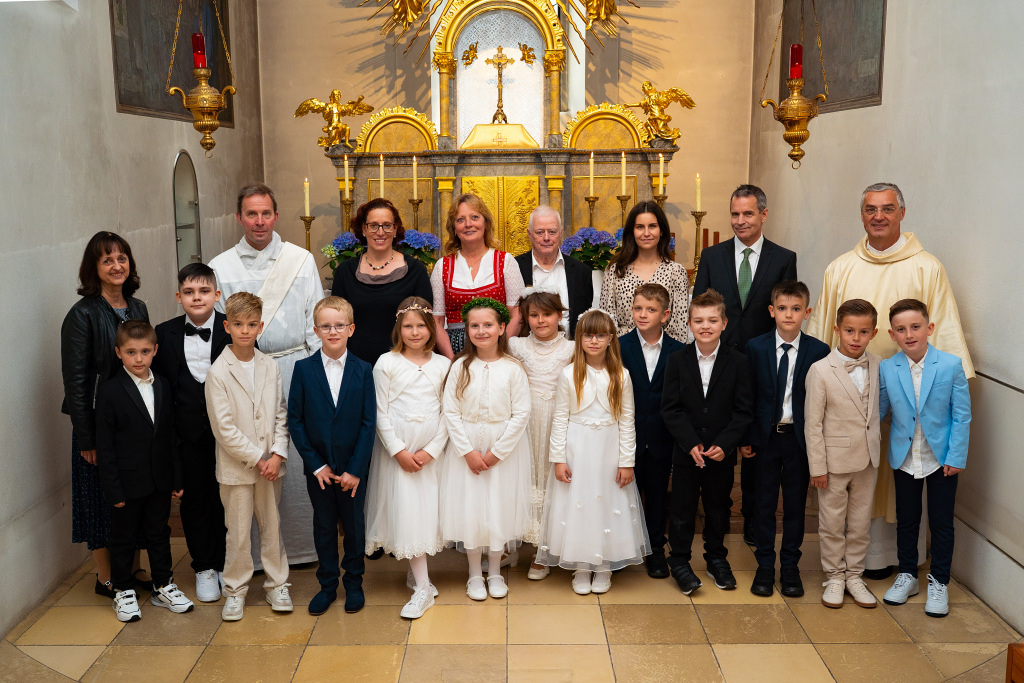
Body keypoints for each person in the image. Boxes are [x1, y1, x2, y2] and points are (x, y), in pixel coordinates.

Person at [806, 182, 974, 581]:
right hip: (851, 402)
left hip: (912, 401)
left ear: (902, 213)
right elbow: (821, 343)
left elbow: (946, 345)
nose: (878, 216)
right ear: (861, 214)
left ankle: (903, 562)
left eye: (886, 209)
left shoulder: (927, 267)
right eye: (870, 209)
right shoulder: (840, 267)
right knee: (853, 484)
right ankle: (848, 566)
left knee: (905, 484)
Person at [209, 183, 322, 565]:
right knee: (250, 454)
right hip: (244, 370)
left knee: (294, 456)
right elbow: (218, 327)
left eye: (265, 213)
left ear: (276, 216)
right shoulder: (221, 266)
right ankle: (254, 559)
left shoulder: (300, 260)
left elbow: (315, 321)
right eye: (251, 214)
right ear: (239, 217)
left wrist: (316, 378)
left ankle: (302, 548)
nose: (259, 221)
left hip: (293, 366)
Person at [692, 184, 798, 546]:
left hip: (762, 366)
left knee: (757, 446)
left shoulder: (783, 258)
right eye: (735, 214)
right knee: (718, 439)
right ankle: (716, 516)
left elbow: (784, 312)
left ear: (763, 214)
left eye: (748, 213)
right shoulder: (712, 256)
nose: (740, 221)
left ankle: (753, 519)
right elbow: (701, 307)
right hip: (719, 364)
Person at [61, 231, 150, 599]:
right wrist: (87, 438)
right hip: (98, 425)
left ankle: (135, 567)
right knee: (99, 499)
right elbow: (76, 381)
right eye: (107, 260)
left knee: (137, 493)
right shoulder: (81, 314)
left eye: (121, 258)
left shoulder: (138, 307)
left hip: (135, 419)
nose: (116, 266)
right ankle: (106, 576)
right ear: (93, 268)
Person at [536, 309, 650, 595]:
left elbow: (627, 420)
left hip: (609, 450)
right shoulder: (569, 374)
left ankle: (604, 566)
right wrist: (558, 459)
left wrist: (626, 462)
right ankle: (582, 565)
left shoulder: (621, 375)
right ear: (579, 338)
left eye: (600, 335)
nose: (594, 341)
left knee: (607, 502)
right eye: (588, 335)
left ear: (610, 339)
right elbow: (560, 419)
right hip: (577, 449)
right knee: (580, 503)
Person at [878, 299, 971, 618]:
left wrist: (956, 455)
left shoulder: (950, 365)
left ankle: (939, 581)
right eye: (901, 329)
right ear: (892, 334)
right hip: (904, 457)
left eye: (915, 327)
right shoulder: (888, 367)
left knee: (941, 522)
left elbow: (961, 415)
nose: (909, 334)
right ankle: (907, 575)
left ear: (929, 328)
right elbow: (880, 411)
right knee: (907, 519)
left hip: (941, 458)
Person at [96, 321, 193, 623]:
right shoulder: (110, 390)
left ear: (155, 350)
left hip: (159, 479)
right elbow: (105, 446)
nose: (138, 358)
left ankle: (163, 584)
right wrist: (113, 488)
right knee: (123, 536)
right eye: (131, 352)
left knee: (159, 533)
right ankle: (123, 589)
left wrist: (176, 477)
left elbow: (170, 435)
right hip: (126, 482)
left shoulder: (162, 384)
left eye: (145, 351)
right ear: (118, 353)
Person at [205, 292, 292, 622]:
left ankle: (277, 584)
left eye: (252, 325)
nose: (245, 330)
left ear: (260, 326)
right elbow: (223, 428)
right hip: (237, 469)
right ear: (227, 326)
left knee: (272, 527)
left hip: (271, 466)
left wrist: (278, 453)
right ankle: (235, 590)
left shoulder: (270, 366)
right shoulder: (218, 372)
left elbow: (281, 413)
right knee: (238, 533)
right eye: (238, 324)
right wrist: (258, 457)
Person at [288, 296, 376, 616]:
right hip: (320, 470)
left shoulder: (363, 370)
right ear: (316, 331)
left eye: (339, 325)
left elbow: (368, 423)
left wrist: (356, 469)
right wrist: (316, 465)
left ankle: (354, 583)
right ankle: (327, 585)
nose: (333, 331)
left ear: (351, 329)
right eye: (325, 326)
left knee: (354, 527)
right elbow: (296, 420)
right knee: (324, 527)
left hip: (353, 469)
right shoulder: (303, 369)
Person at [439, 298, 532, 601]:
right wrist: (467, 451)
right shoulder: (460, 366)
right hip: (466, 446)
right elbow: (451, 411)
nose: (481, 331)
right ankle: (474, 574)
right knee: (471, 510)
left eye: (488, 325)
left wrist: (497, 453)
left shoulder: (513, 368)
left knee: (497, 509)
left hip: (503, 449)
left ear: (502, 327)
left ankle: (494, 571)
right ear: (467, 330)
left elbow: (521, 413)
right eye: (475, 325)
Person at [661, 290, 753, 595]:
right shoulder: (677, 360)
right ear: (689, 323)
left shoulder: (738, 362)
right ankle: (679, 561)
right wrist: (689, 443)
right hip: (686, 452)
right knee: (682, 509)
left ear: (724, 323)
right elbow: (670, 408)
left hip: (719, 453)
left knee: (718, 508)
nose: (705, 326)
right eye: (699, 320)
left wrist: (725, 444)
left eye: (712, 320)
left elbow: (743, 410)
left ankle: (716, 558)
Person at [364, 297, 451, 618]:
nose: (415, 332)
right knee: (408, 512)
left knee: (424, 514)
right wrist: (398, 451)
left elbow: (449, 413)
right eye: (408, 326)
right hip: (399, 453)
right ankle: (423, 588)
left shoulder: (443, 365)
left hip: (430, 454)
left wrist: (432, 449)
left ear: (432, 329)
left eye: (421, 326)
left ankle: (417, 576)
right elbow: (380, 411)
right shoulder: (386, 363)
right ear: (398, 329)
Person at [742, 281, 829, 598]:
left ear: (807, 312)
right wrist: (747, 436)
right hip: (765, 439)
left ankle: (790, 565)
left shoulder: (818, 351)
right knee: (763, 504)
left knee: (795, 506)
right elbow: (748, 396)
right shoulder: (755, 347)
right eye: (782, 308)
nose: (788, 315)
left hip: (799, 441)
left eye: (795, 309)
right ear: (771, 311)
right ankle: (765, 565)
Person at [152, 263, 230, 603]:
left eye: (203, 291)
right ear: (178, 297)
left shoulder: (233, 328)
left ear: (216, 294)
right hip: (186, 436)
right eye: (189, 292)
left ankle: (228, 563)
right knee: (195, 500)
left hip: (227, 435)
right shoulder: (164, 333)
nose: (196, 298)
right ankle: (204, 567)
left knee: (227, 500)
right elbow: (161, 391)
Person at [804, 299, 882, 609]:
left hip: (868, 458)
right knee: (832, 522)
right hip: (833, 462)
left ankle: (855, 576)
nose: (856, 338)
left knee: (861, 522)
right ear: (837, 330)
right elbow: (813, 423)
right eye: (849, 331)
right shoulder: (820, 370)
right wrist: (817, 467)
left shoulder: (879, 364)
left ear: (874, 333)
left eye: (863, 332)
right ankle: (835, 576)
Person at [618, 283, 684, 579]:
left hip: (661, 437)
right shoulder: (619, 346)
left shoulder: (678, 351)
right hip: (626, 436)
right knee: (623, 494)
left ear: (665, 315)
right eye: (638, 308)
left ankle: (655, 548)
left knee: (657, 495)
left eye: (651, 310)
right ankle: (623, 547)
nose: (642, 314)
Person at [507, 289, 574, 578]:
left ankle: (543, 551)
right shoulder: (516, 346)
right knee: (522, 478)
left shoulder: (572, 349)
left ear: (559, 315)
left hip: (556, 420)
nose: (541, 320)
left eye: (547, 314)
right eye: (533, 315)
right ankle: (510, 545)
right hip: (524, 418)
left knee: (548, 480)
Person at [331, 198, 433, 366]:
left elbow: (426, 322)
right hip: (356, 365)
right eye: (373, 225)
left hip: (403, 365)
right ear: (364, 229)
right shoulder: (345, 272)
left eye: (387, 225)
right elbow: (336, 323)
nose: (380, 232)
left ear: (395, 229)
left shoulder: (415, 270)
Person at [431, 194, 525, 358]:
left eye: (475, 217)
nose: (468, 224)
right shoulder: (442, 266)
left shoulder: (506, 262)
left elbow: (517, 314)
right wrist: (452, 361)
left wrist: (498, 353)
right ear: (454, 228)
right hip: (454, 350)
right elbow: (436, 322)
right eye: (460, 220)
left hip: (498, 349)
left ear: (485, 223)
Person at [600, 201, 689, 341]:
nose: (646, 233)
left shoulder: (676, 272)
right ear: (632, 231)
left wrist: (657, 348)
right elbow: (606, 323)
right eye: (640, 227)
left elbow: (679, 327)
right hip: (621, 349)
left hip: (665, 351)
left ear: (661, 231)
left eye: (652, 226)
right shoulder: (615, 271)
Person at [513, 205, 594, 339]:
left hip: (571, 348)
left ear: (561, 233)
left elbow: (585, 319)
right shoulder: (515, 267)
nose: (546, 238)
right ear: (529, 234)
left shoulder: (581, 272)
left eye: (552, 232)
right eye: (540, 232)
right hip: (526, 348)